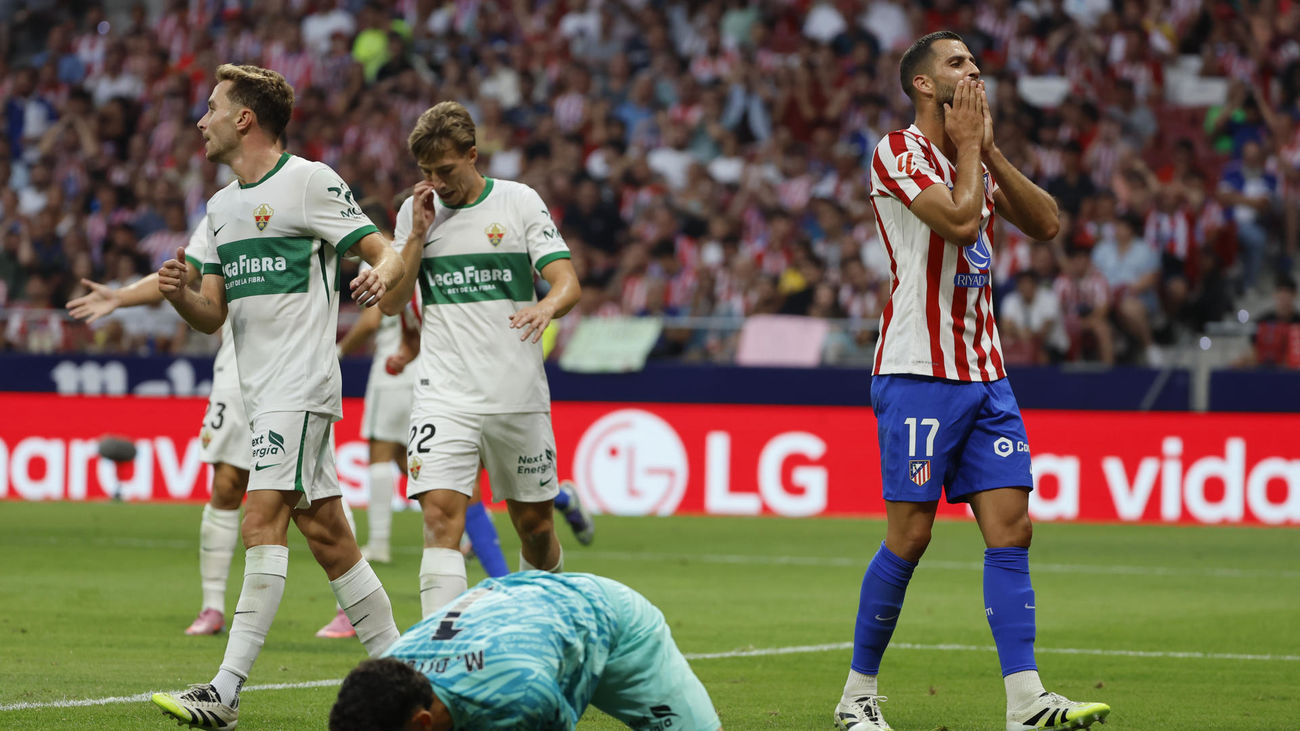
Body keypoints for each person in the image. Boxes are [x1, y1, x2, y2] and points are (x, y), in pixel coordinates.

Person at [835, 32, 1111, 731]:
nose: (974, 70)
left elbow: (1047, 223)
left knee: (1012, 528)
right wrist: (966, 152)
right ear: (923, 84)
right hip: (918, 370)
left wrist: (987, 150)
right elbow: (959, 223)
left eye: (974, 61)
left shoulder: (972, 160)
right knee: (911, 534)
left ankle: (1026, 701)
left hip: (986, 372)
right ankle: (856, 697)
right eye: (957, 62)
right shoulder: (897, 152)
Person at [148, 64, 405, 729]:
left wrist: (381, 274)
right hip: (259, 392)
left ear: (244, 119)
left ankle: (224, 692)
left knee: (261, 520)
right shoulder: (220, 208)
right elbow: (212, 314)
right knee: (328, 535)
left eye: (211, 107)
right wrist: (179, 295)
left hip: (302, 384)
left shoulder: (309, 182)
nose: (200, 120)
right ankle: (412, 678)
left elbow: (383, 249)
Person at [68, 216, 356, 641]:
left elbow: (361, 245)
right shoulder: (223, 212)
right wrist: (121, 296)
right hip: (236, 367)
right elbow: (186, 274)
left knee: (315, 489)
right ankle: (212, 606)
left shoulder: (303, 197)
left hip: (299, 369)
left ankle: (349, 606)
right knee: (225, 483)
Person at [383, 100, 590, 619]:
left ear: (473, 155)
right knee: (439, 519)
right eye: (426, 172)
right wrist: (417, 236)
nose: (437, 183)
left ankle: (542, 627)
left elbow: (567, 282)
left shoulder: (518, 202)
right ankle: (440, 652)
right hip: (444, 394)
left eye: (446, 170)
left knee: (535, 528)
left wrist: (546, 305)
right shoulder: (415, 212)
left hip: (515, 392)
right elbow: (391, 302)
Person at [329, 572, 721, 730]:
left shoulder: (518, 699)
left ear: (421, 724)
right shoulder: (393, 670)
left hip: (609, 621)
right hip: (517, 607)